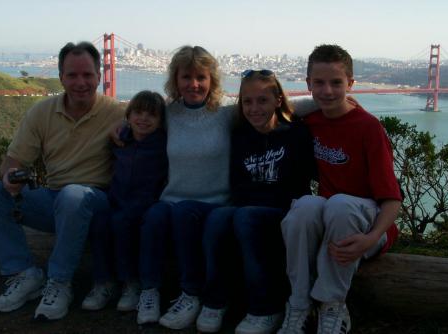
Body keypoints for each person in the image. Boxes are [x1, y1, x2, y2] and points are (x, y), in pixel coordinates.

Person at [0, 42, 125, 321]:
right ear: (61, 77)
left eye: (88, 75)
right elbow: (13, 161)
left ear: (98, 76)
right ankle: (24, 274)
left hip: (97, 203)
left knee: (73, 196)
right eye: (72, 75)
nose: (80, 82)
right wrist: (9, 177)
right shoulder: (42, 112)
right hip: (55, 200)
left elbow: (157, 125)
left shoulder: (118, 113)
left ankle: (59, 282)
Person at [278, 44, 402, 334]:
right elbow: (270, 109)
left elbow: (392, 199)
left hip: (370, 226)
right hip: (331, 218)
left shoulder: (369, 127)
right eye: (318, 83)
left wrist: (372, 238)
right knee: (305, 206)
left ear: (351, 84)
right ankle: (298, 304)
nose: (328, 91)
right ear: (307, 84)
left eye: (336, 83)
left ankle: (332, 305)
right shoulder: (311, 121)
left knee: (341, 203)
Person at [196, 70, 315, 334]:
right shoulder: (240, 135)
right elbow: (239, 184)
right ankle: (215, 300)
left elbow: (302, 182)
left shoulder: (297, 133)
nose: (254, 108)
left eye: (262, 101)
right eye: (247, 101)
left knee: (245, 217)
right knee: (217, 218)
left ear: (278, 101)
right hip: (247, 209)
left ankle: (266, 308)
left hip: (285, 209)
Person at [134, 45, 237, 329]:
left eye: (201, 77)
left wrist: (329, 101)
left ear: (211, 80)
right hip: (174, 200)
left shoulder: (227, 113)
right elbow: (135, 119)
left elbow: (276, 104)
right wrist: (116, 128)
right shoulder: (168, 114)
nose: (194, 84)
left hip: (216, 202)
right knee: (154, 217)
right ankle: (149, 291)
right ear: (175, 80)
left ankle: (191, 294)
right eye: (186, 77)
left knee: (181, 215)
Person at [81, 90, 168, 312]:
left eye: (151, 115)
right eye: (138, 112)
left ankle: (131, 283)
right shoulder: (120, 141)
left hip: (146, 204)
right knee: (99, 220)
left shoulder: (162, 146)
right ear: (128, 116)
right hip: (117, 199)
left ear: (160, 121)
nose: (143, 119)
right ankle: (103, 282)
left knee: (121, 223)